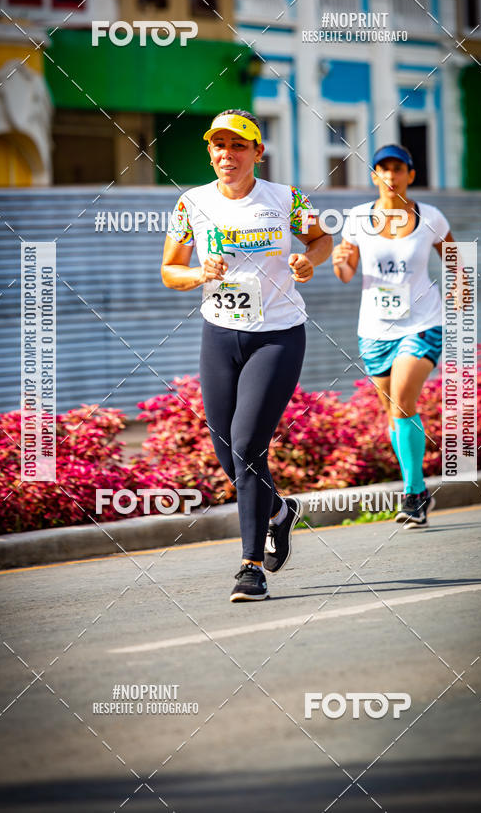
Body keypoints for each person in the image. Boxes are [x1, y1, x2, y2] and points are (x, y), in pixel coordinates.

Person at [162, 109, 332, 600]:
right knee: (225, 450)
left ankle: (250, 566)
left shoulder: (285, 199)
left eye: (238, 146)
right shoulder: (191, 203)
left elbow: (321, 239)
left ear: (258, 152)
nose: (226, 155)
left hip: (277, 335)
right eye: (218, 145)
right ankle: (279, 511)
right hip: (219, 334)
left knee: (248, 444)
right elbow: (170, 270)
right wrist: (200, 274)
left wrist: (308, 259)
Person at [332, 144, 456, 528]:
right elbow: (347, 273)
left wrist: (459, 289)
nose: (390, 176)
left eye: (397, 169)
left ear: (410, 175)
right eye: (382, 169)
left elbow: (454, 258)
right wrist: (340, 262)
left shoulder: (430, 217)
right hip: (374, 329)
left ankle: (413, 493)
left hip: (422, 323)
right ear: (374, 176)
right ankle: (417, 490)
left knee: (403, 401)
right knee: (393, 412)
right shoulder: (355, 218)